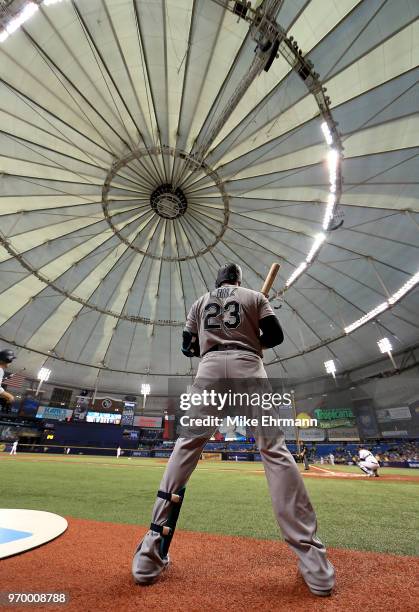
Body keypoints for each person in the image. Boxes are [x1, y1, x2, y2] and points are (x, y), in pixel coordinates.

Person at [132, 263, 335, 596]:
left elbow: (188, 347)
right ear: (239, 280)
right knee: (274, 450)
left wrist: (212, 343)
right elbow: (275, 337)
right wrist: (251, 338)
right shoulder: (254, 296)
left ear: (217, 281)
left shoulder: (200, 302)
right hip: (248, 366)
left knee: (186, 447)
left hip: (210, 369)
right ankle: (315, 564)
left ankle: (148, 555)